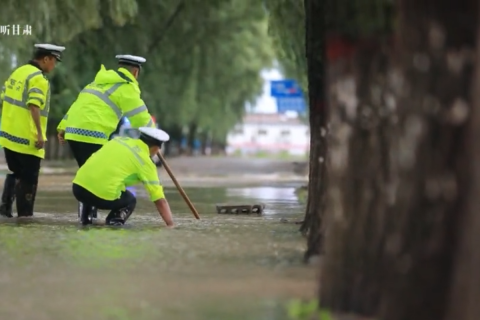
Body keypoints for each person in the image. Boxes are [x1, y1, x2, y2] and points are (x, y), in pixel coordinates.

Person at [57, 54, 156, 220]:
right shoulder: (127, 86)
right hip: (93, 134)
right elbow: (140, 117)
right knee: (94, 178)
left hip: (73, 132)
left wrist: (62, 126)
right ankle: (91, 219)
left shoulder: (97, 82)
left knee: (88, 175)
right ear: (136, 72)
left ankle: (87, 220)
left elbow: (78, 103)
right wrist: (155, 137)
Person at [0, 43, 66, 217]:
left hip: (8, 137)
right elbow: (34, 106)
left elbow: (3, 99)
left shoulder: (18, 72)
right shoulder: (38, 79)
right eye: (54, 61)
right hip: (27, 140)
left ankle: (5, 209)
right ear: (45, 59)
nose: (54, 65)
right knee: (29, 179)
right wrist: (39, 134)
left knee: (15, 172)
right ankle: (25, 217)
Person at [71, 127, 174, 227]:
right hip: (98, 194)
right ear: (156, 148)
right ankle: (113, 225)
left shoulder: (119, 140)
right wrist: (171, 225)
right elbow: (159, 200)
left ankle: (85, 223)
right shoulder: (146, 163)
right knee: (129, 200)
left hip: (78, 187)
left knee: (96, 184)